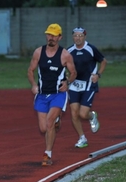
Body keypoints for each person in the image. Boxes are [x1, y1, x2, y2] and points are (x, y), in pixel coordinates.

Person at [27, 23, 77, 166]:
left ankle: (47, 154)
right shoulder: (38, 52)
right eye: (49, 35)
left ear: (60, 37)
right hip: (42, 95)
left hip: (58, 94)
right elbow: (30, 70)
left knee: (49, 124)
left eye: (54, 35)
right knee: (43, 128)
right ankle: (56, 121)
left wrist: (67, 82)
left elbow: (73, 73)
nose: (51, 38)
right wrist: (33, 85)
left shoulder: (65, 55)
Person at [67, 27, 107, 148]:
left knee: (83, 114)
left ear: (84, 37)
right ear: (72, 37)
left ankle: (92, 116)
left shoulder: (91, 48)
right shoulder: (68, 50)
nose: (78, 38)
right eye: (75, 36)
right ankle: (82, 138)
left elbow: (103, 61)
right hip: (74, 84)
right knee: (74, 113)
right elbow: (63, 64)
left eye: (80, 36)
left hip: (88, 83)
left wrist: (98, 75)